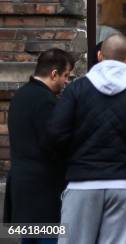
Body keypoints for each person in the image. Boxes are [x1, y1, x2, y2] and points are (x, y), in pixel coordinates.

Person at [48, 33, 126, 244]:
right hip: (125, 184)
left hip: (81, 183)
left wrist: (74, 161)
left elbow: (55, 134)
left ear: (99, 55)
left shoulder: (76, 90)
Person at [4, 49, 75, 244]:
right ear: (54, 74)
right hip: (45, 192)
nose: (66, 82)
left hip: (22, 189)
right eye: (66, 75)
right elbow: (53, 144)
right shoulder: (47, 101)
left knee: (29, 240)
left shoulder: (20, 96)